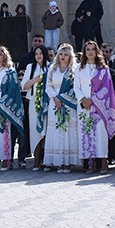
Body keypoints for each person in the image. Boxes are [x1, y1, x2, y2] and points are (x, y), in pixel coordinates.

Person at [77, 41, 115, 174]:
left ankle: (103, 160)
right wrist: (83, 99)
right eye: (87, 49)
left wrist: (93, 100)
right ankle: (90, 162)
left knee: (100, 133)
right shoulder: (79, 68)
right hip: (84, 106)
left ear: (97, 51)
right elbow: (76, 87)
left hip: (99, 107)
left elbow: (106, 87)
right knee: (87, 132)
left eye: (93, 49)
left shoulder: (103, 69)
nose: (90, 52)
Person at [43, 43, 79, 173]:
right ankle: (58, 161)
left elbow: (75, 87)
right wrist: (56, 98)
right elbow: (48, 86)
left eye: (66, 54)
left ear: (70, 56)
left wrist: (63, 99)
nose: (63, 57)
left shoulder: (74, 70)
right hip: (55, 102)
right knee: (56, 129)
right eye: (61, 54)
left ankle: (68, 162)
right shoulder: (52, 69)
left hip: (68, 102)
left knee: (68, 130)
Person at [21, 45, 49, 170]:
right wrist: (36, 80)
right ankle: (37, 160)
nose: (38, 56)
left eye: (41, 53)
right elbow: (24, 86)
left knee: (47, 130)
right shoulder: (30, 67)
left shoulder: (50, 66)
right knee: (36, 131)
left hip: (47, 103)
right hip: (34, 103)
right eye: (36, 53)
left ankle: (47, 160)